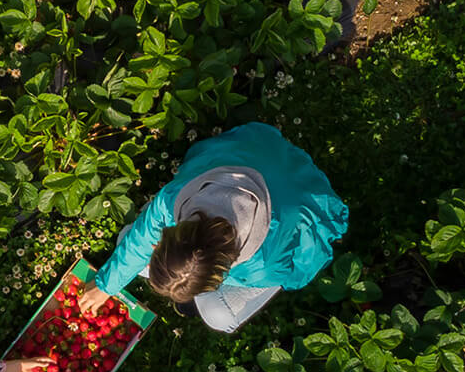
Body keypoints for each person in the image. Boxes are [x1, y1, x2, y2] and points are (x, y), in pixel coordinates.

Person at [76, 122, 349, 333]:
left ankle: (206, 296)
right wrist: (105, 285)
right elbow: (139, 239)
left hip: (290, 193)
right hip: (266, 158)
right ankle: (189, 286)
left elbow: (301, 271)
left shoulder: (266, 265)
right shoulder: (172, 198)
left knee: (219, 316)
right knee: (128, 239)